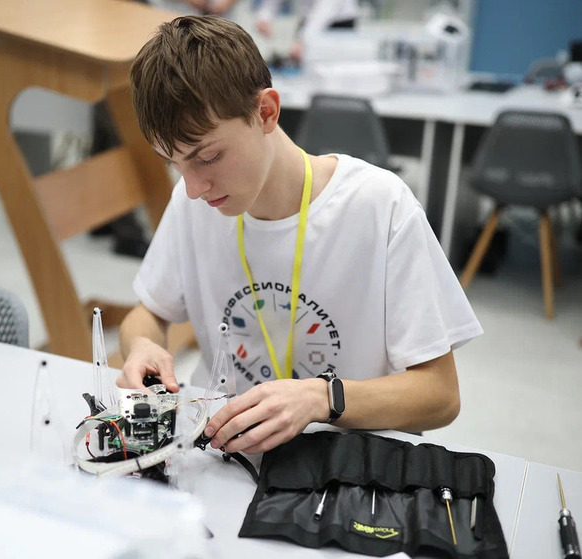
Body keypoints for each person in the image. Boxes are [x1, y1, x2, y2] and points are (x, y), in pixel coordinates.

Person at [117, 16, 482, 455]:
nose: (194, 188)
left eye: (208, 157)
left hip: (342, 464)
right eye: (174, 163)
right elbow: (148, 313)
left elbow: (440, 395)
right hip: (226, 453)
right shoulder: (192, 202)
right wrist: (141, 346)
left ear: (266, 113)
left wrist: (320, 399)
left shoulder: (380, 206)